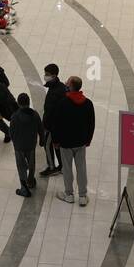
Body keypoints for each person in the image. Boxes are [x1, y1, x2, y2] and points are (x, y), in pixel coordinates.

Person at [56, 76, 95, 206]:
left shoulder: (62, 103)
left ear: (71, 86)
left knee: (67, 169)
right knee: (81, 168)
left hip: (66, 143)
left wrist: (56, 140)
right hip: (81, 142)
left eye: (67, 82)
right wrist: (88, 140)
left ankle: (69, 194)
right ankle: (83, 196)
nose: (65, 83)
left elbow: (58, 124)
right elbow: (91, 124)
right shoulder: (88, 103)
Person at [9, 92, 41, 197]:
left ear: (18, 103)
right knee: (31, 164)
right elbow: (41, 129)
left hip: (19, 146)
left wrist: (15, 142)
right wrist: (42, 140)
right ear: (29, 102)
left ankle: (24, 188)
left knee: (21, 166)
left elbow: (11, 132)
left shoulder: (14, 117)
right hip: (31, 144)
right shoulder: (35, 115)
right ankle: (31, 180)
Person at [39, 63, 67, 178]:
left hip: (52, 126)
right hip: (52, 124)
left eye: (47, 74)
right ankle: (62, 166)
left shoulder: (57, 91)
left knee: (47, 145)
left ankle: (53, 167)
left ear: (54, 75)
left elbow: (53, 112)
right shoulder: (57, 86)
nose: (45, 76)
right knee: (55, 146)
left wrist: (47, 125)